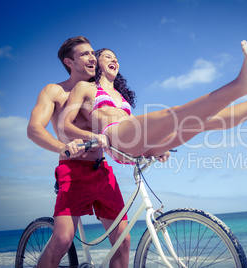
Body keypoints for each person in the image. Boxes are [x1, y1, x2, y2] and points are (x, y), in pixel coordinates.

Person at [27, 36, 153, 268]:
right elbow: (34, 129)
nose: (92, 58)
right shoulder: (55, 91)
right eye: (84, 54)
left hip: (102, 170)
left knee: (122, 241)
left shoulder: (100, 93)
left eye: (93, 53)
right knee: (63, 239)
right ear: (69, 62)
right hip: (73, 170)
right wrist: (62, 147)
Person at [60, 40, 247, 164]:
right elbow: (64, 126)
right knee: (175, 114)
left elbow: (135, 126)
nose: (114, 59)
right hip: (114, 140)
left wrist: (156, 143)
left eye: (116, 57)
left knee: (203, 122)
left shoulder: (121, 97)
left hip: (137, 146)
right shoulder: (86, 87)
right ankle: (240, 86)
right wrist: (93, 137)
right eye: (107, 56)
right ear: (95, 62)